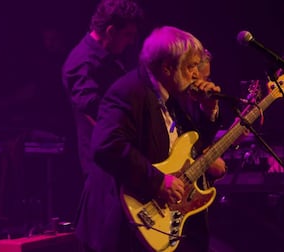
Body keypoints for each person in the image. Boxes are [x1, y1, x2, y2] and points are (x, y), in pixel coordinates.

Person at [87, 26, 226, 252]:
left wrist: (208, 109)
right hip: (124, 222)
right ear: (167, 67)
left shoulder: (170, 97)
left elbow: (193, 145)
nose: (195, 74)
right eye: (190, 66)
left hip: (152, 220)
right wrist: (158, 181)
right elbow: (106, 145)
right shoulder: (129, 91)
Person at [61, 0, 144, 178]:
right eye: (127, 35)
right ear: (111, 31)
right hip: (102, 165)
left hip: (120, 155)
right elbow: (95, 110)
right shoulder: (81, 63)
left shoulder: (112, 55)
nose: (130, 42)